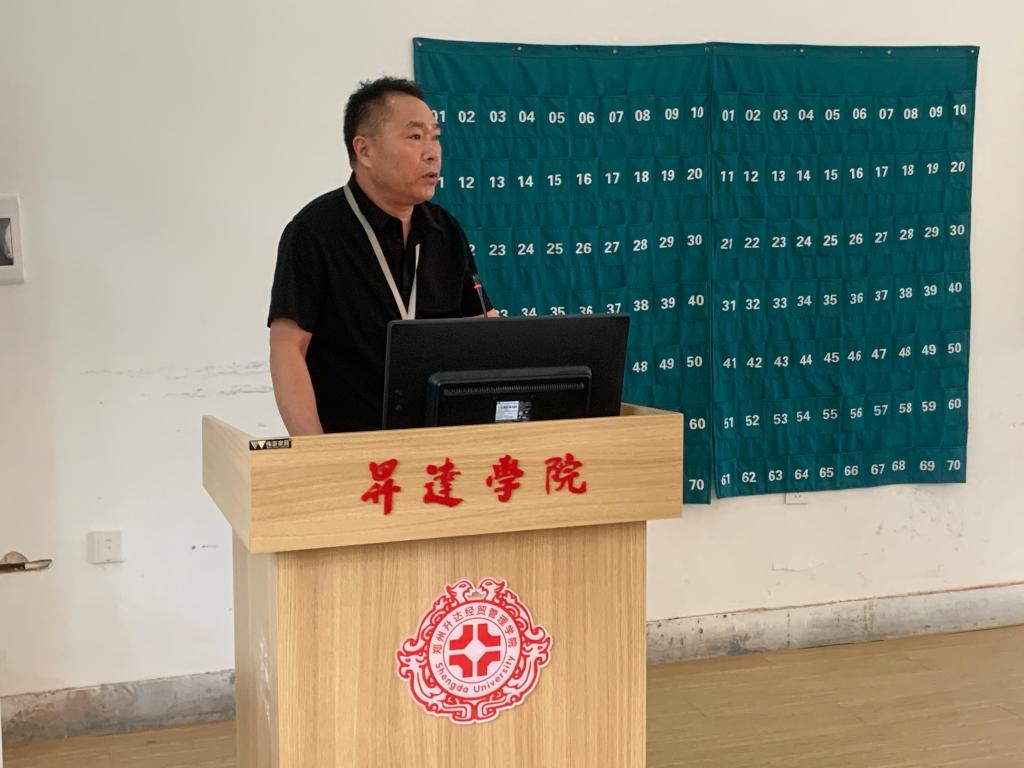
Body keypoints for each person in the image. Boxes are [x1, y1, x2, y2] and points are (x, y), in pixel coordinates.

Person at [268, 77, 494, 436]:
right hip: (354, 446)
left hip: (441, 445)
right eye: (415, 136)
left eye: (435, 137)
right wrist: (317, 452)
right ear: (365, 151)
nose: (432, 152)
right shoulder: (315, 232)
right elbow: (288, 348)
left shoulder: (445, 231)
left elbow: (484, 330)